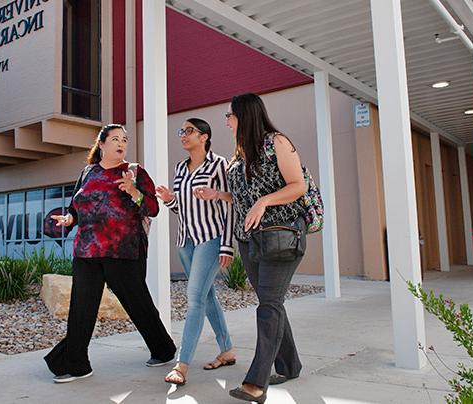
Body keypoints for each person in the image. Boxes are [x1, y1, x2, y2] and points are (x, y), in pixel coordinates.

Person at [196, 94, 307, 403]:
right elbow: (244, 196)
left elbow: (297, 185)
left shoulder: (277, 143)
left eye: (229, 116)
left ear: (244, 116)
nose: (227, 121)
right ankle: (290, 365)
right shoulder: (241, 153)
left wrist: (264, 200)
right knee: (271, 303)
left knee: (269, 305)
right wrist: (219, 195)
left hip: (281, 236)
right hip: (250, 241)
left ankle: (256, 383)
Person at [44, 124, 176, 383]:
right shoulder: (88, 172)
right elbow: (76, 208)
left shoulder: (135, 172)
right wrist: (68, 220)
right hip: (86, 250)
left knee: (138, 305)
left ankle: (163, 350)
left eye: (125, 140)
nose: (121, 143)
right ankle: (77, 365)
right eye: (115, 139)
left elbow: (152, 208)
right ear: (101, 144)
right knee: (81, 308)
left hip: (124, 251)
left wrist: (134, 191)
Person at [155, 118, 236, 386]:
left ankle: (182, 365)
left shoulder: (220, 164)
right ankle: (227, 350)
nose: (183, 135)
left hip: (211, 239)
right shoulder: (180, 168)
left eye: (189, 131)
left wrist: (226, 245)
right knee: (207, 295)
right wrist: (170, 200)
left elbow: (231, 204)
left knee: (194, 300)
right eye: (181, 131)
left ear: (204, 136)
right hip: (186, 240)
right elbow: (182, 208)